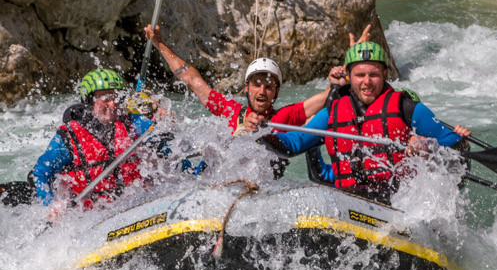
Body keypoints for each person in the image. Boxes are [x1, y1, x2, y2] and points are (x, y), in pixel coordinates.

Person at [263, 41, 471, 200]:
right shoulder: (331, 114)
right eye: (360, 75)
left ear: (385, 74)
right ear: (349, 76)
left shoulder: (406, 108)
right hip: (348, 199)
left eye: (374, 75)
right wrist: (260, 133)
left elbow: (457, 146)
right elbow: (293, 143)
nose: (367, 82)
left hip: (398, 202)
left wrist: (427, 145)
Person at [30, 69, 195, 211]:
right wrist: (50, 206)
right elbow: (40, 174)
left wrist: (162, 123)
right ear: (90, 100)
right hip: (90, 217)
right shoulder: (68, 137)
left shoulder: (134, 123)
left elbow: (166, 155)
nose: (113, 103)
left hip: (135, 205)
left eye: (116, 97)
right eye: (106, 98)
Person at [143, 25, 338, 134]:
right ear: (247, 88)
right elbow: (192, 79)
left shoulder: (283, 118)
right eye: (256, 85)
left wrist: (347, 69)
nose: (262, 92)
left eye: (269, 87)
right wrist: (160, 44)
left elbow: (326, 96)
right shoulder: (229, 111)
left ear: (277, 92)